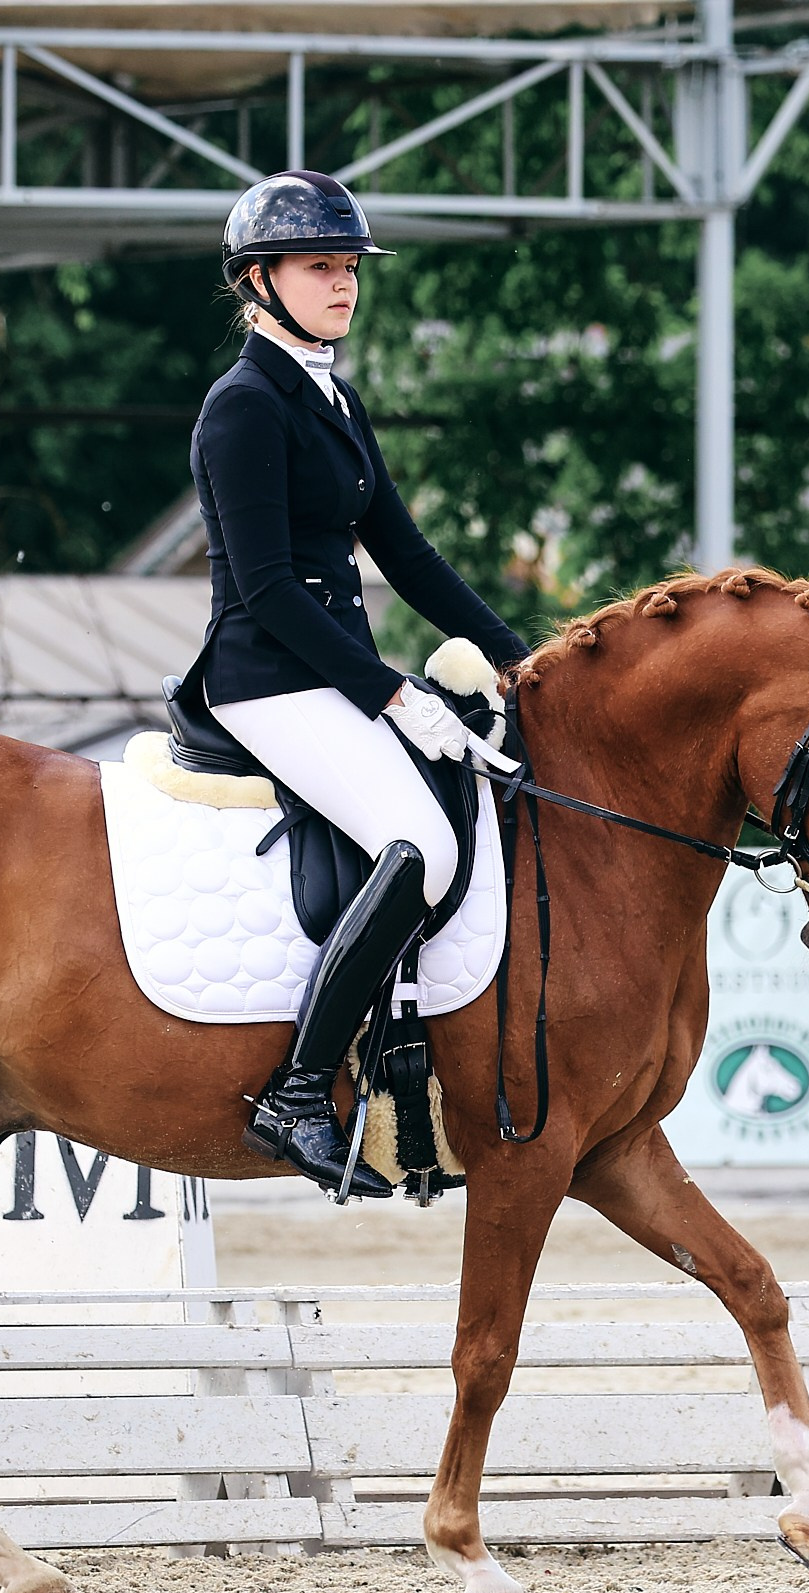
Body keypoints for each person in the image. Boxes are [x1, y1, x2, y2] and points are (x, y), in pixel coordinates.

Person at [183, 170, 530, 1198]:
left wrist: (514, 651)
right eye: (318, 267)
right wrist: (390, 692)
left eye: (347, 267)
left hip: (329, 675)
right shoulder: (242, 406)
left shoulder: (331, 395)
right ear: (259, 280)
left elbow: (407, 555)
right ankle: (295, 1095)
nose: (342, 285)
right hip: (267, 680)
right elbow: (267, 591)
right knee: (417, 849)